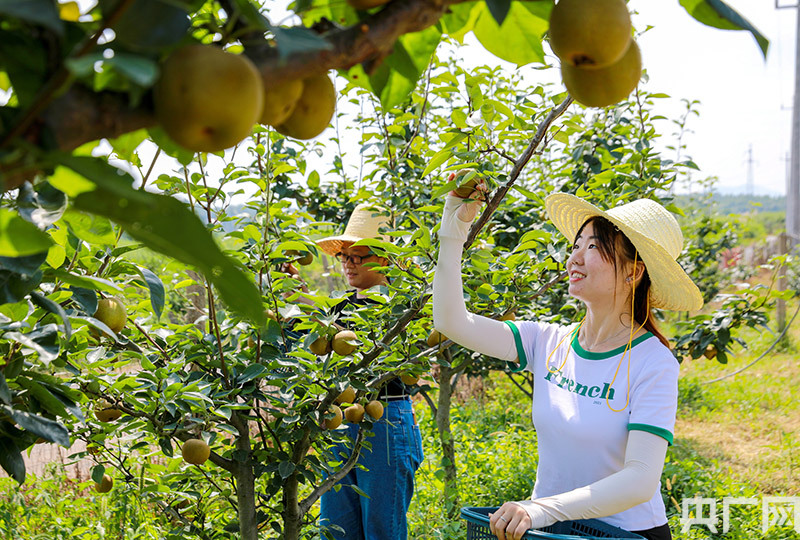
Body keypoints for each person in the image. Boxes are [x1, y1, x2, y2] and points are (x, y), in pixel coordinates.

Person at [432, 187, 703, 540]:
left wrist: (542, 508)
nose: (574, 257)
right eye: (576, 245)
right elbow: (451, 321)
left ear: (633, 272)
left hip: (622, 534)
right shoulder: (548, 341)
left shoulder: (653, 362)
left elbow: (640, 479)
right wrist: (453, 231)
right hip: (551, 529)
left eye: (593, 247)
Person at [316, 203, 424, 540]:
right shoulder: (336, 309)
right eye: (345, 257)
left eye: (358, 256)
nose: (349, 264)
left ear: (385, 258)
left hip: (385, 421)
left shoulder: (405, 307)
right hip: (340, 420)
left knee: (382, 529)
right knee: (335, 528)